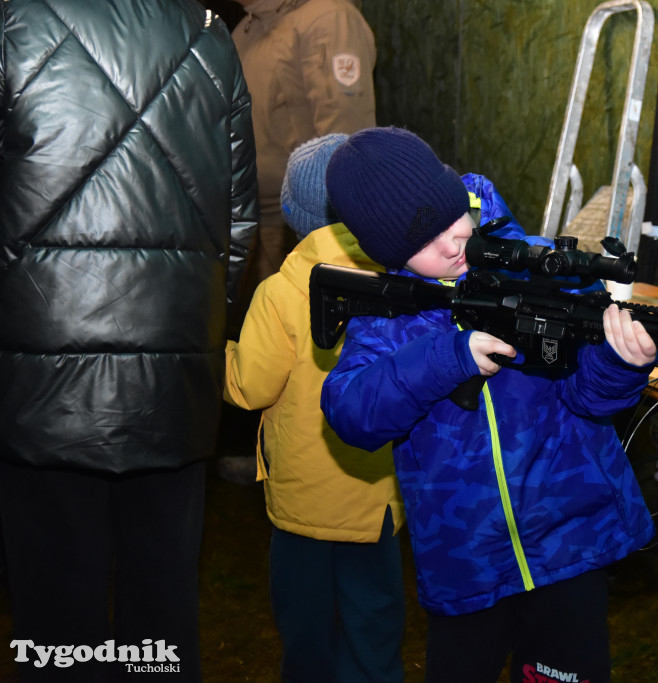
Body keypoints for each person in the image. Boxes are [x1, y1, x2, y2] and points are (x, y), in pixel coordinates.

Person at [320, 126, 657, 683]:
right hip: (465, 561)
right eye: (423, 244)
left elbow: (588, 399)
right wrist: (445, 358)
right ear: (387, 253)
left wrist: (621, 363)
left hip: (568, 546)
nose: (452, 245)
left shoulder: (539, 268)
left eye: (453, 224)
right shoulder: (385, 318)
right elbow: (351, 413)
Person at [0, 2, 258, 681]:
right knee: (163, 615)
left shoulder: (13, 25)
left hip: (37, 379)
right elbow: (237, 228)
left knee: (58, 622)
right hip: (172, 379)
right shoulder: (209, 36)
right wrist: (188, 329)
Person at [223, 134, 406, 682]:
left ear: (297, 214)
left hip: (302, 507)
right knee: (373, 632)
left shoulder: (281, 292)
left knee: (307, 636)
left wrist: (218, 352)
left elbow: (249, 388)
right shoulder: (398, 285)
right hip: (376, 505)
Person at [221, 0, 378, 483]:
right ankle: (268, 451)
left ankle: (320, 473)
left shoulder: (327, 19)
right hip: (249, 211)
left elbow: (344, 133)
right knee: (266, 341)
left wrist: (327, 225)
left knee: (311, 340)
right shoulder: (247, 27)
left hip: (308, 222)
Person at [232, 0, 376, 292]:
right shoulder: (246, 28)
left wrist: (330, 240)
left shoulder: (327, 20)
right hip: (250, 219)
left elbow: (347, 139)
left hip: (304, 230)